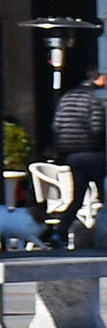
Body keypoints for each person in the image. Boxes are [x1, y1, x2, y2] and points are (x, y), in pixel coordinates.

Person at [52, 67, 106, 249]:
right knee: (104, 195)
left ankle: (60, 233)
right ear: (99, 79)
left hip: (73, 156)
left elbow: (57, 125)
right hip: (95, 153)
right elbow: (97, 127)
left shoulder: (66, 97)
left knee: (77, 199)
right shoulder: (95, 98)